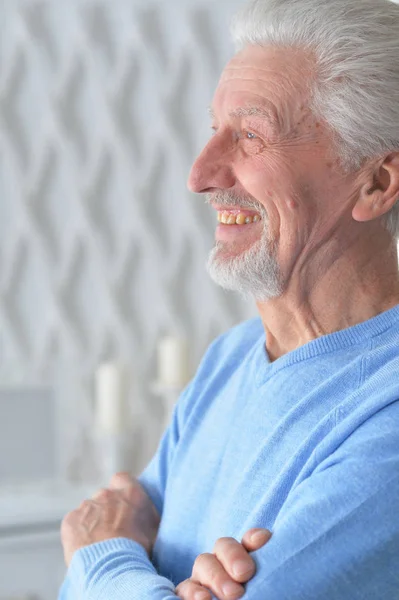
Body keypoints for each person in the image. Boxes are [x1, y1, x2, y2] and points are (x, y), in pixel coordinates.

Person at [58, 0, 399, 597]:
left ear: (376, 183)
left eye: (249, 134)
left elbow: (99, 552)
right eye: (212, 130)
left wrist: (104, 560)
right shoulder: (227, 360)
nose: (200, 174)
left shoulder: (387, 410)